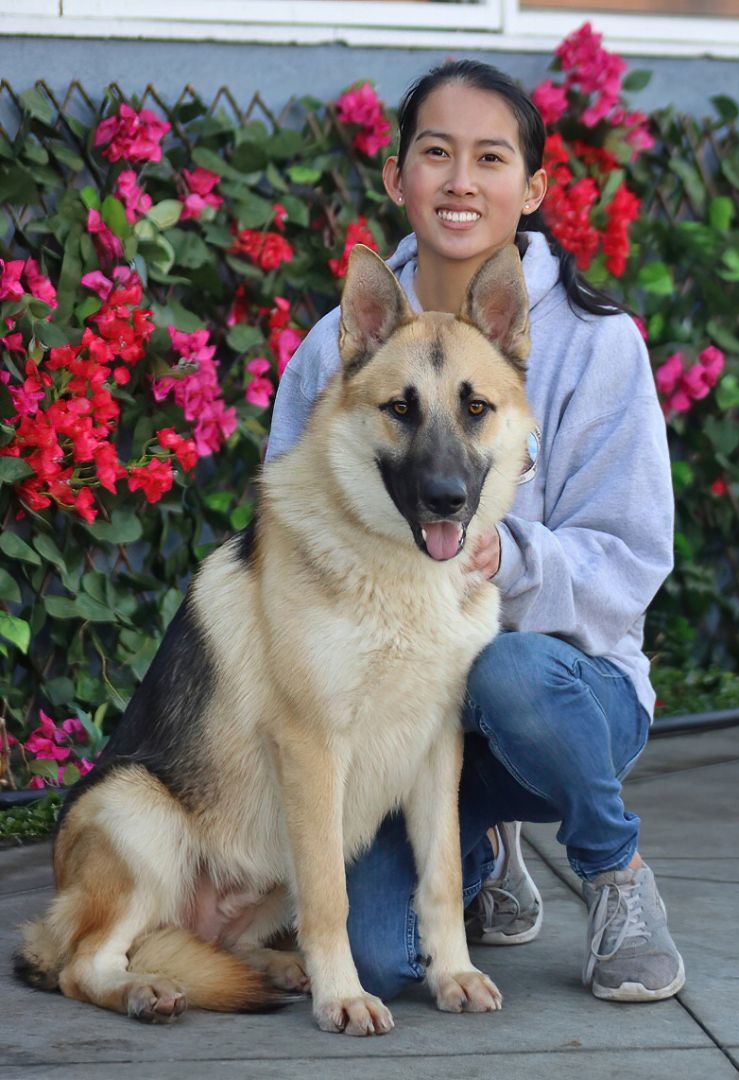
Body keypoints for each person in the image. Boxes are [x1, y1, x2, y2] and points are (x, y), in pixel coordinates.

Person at [266, 59, 685, 1005]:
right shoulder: (348, 343)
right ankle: (480, 847)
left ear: (531, 188)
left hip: (560, 707)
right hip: (399, 718)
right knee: (379, 962)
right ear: (396, 175)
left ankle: (614, 870)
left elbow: (633, 555)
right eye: (436, 153)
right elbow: (292, 528)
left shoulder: (595, 343)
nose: (461, 180)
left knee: (508, 667)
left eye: (490, 158)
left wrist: (512, 556)